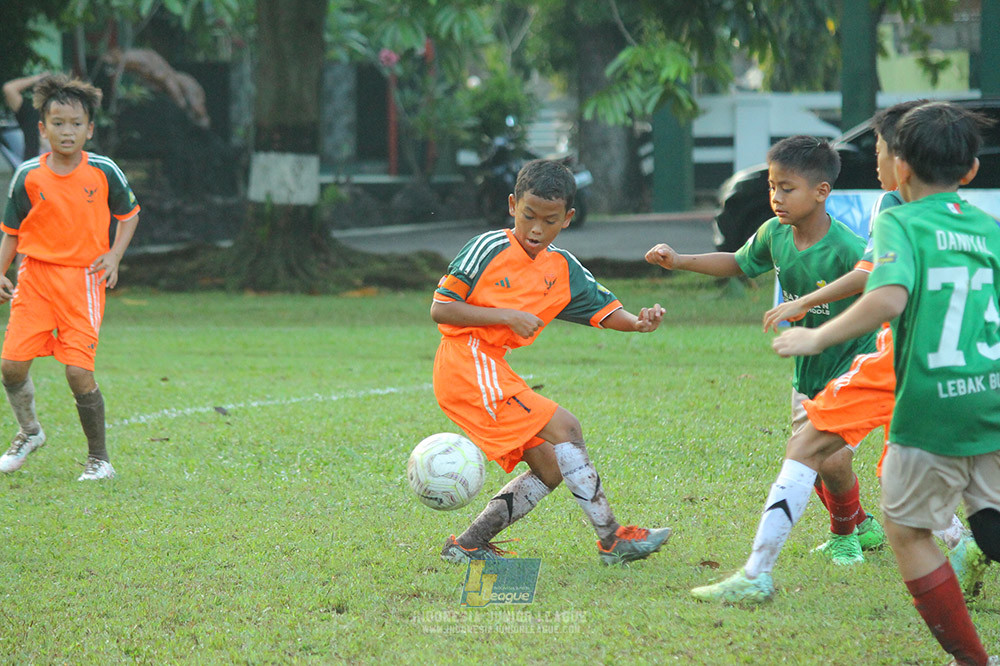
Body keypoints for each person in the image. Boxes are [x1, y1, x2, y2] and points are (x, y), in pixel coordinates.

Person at [773, 101, 1000, 666]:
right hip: (990, 396)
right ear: (970, 173)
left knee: (906, 529)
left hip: (929, 404)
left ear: (899, 168)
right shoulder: (989, 228)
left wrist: (818, 338)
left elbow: (887, 296)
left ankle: (972, 661)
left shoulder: (897, 219)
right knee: (990, 530)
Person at [645, 135, 880, 587]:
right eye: (773, 186)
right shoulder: (774, 234)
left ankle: (844, 537)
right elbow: (737, 262)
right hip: (807, 368)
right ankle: (863, 524)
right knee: (807, 458)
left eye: (786, 188)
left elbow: (870, 284)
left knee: (828, 459)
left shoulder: (847, 247)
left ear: (821, 191)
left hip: (854, 363)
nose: (775, 197)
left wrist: (803, 304)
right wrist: (679, 261)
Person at [432, 159, 671, 565]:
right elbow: (441, 308)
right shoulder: (488, 248)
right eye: (528, 216)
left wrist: (638, 323)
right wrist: (506, 315)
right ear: (512, 205)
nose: (536, 230)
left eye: (550, 220)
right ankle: (613, 539)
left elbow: (605, 310)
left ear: (569, 218)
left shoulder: (562, 268)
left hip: (493, 367)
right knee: (567, 427)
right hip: (466, 362)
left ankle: (467, 545)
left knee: (549, 468)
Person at [0, 74, 140, 480]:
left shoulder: (103, 170)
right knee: (10, 366)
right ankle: (30, 432)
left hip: (83, 281)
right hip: (35, 278)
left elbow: (129, 215)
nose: (67, 131)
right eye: (58, 123)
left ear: (89, 129)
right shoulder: (28, 174)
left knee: (78, 372)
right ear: (42, 129)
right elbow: (11, 231)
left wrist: (113, 256)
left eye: (76, 124)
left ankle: (99, 461)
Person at [2, 71, 51, 163]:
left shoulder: (67, 115)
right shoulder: (31, 112)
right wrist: (37, 78)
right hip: (33, 169)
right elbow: (9, 88)